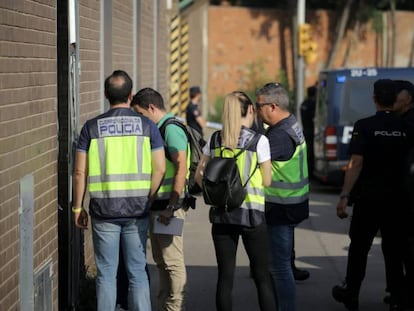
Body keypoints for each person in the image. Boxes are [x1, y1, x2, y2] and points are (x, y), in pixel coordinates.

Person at [72, 70, 166, 311]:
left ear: (106, 95)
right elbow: (160, 169)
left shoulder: (91, 128)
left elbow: (80, 172)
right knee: (137, 272)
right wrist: (149, 197)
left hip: (104, 211)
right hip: (137, 211)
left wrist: (77, 207)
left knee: (106, 274)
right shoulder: (148, 126)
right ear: (131, 95)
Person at [332, 79, 413, 311]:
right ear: (395, 100)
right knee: (394, 250)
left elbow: (356, 162)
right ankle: (398, 297)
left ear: (374, 99)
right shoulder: (407, 128)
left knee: (359, 248)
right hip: (398, 200)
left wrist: (344, 195)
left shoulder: (364, 126)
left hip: (369, 199)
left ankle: (351, 293)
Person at [195, 91, 275, 311]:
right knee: (262, 278)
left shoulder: (215, 139)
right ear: (250, 110)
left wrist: (217, 193)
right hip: (252, 216)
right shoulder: (259, 141)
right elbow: (267, 180)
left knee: (225, 278)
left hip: (223, 215)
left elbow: (198, 176)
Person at [131, 87, 189, 311]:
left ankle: (174, 306)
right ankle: (165, 304)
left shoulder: (170, 129)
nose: (140, 119)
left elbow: (181, 166)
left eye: (141, 114)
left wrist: (172, 205)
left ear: (151, 108)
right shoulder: (159, 128)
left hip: (168, 206)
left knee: (172, 261)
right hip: (160, 205)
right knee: (162, 261)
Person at [255, 82, 310, 311]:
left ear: (273, 106)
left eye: (259, 106)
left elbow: (252, 161)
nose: (257, 111)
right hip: (292, 204)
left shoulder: (278, 136)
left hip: (280, 208)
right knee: (281, 265)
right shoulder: (291, 123)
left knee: (279, 268)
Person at [300, 85, 317, 179]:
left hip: (306, 130)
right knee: (311, 154)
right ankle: (311, 173)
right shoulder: (313, 104)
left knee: (308, 153)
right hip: (312, 131)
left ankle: (308, 172)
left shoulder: (303, 104)